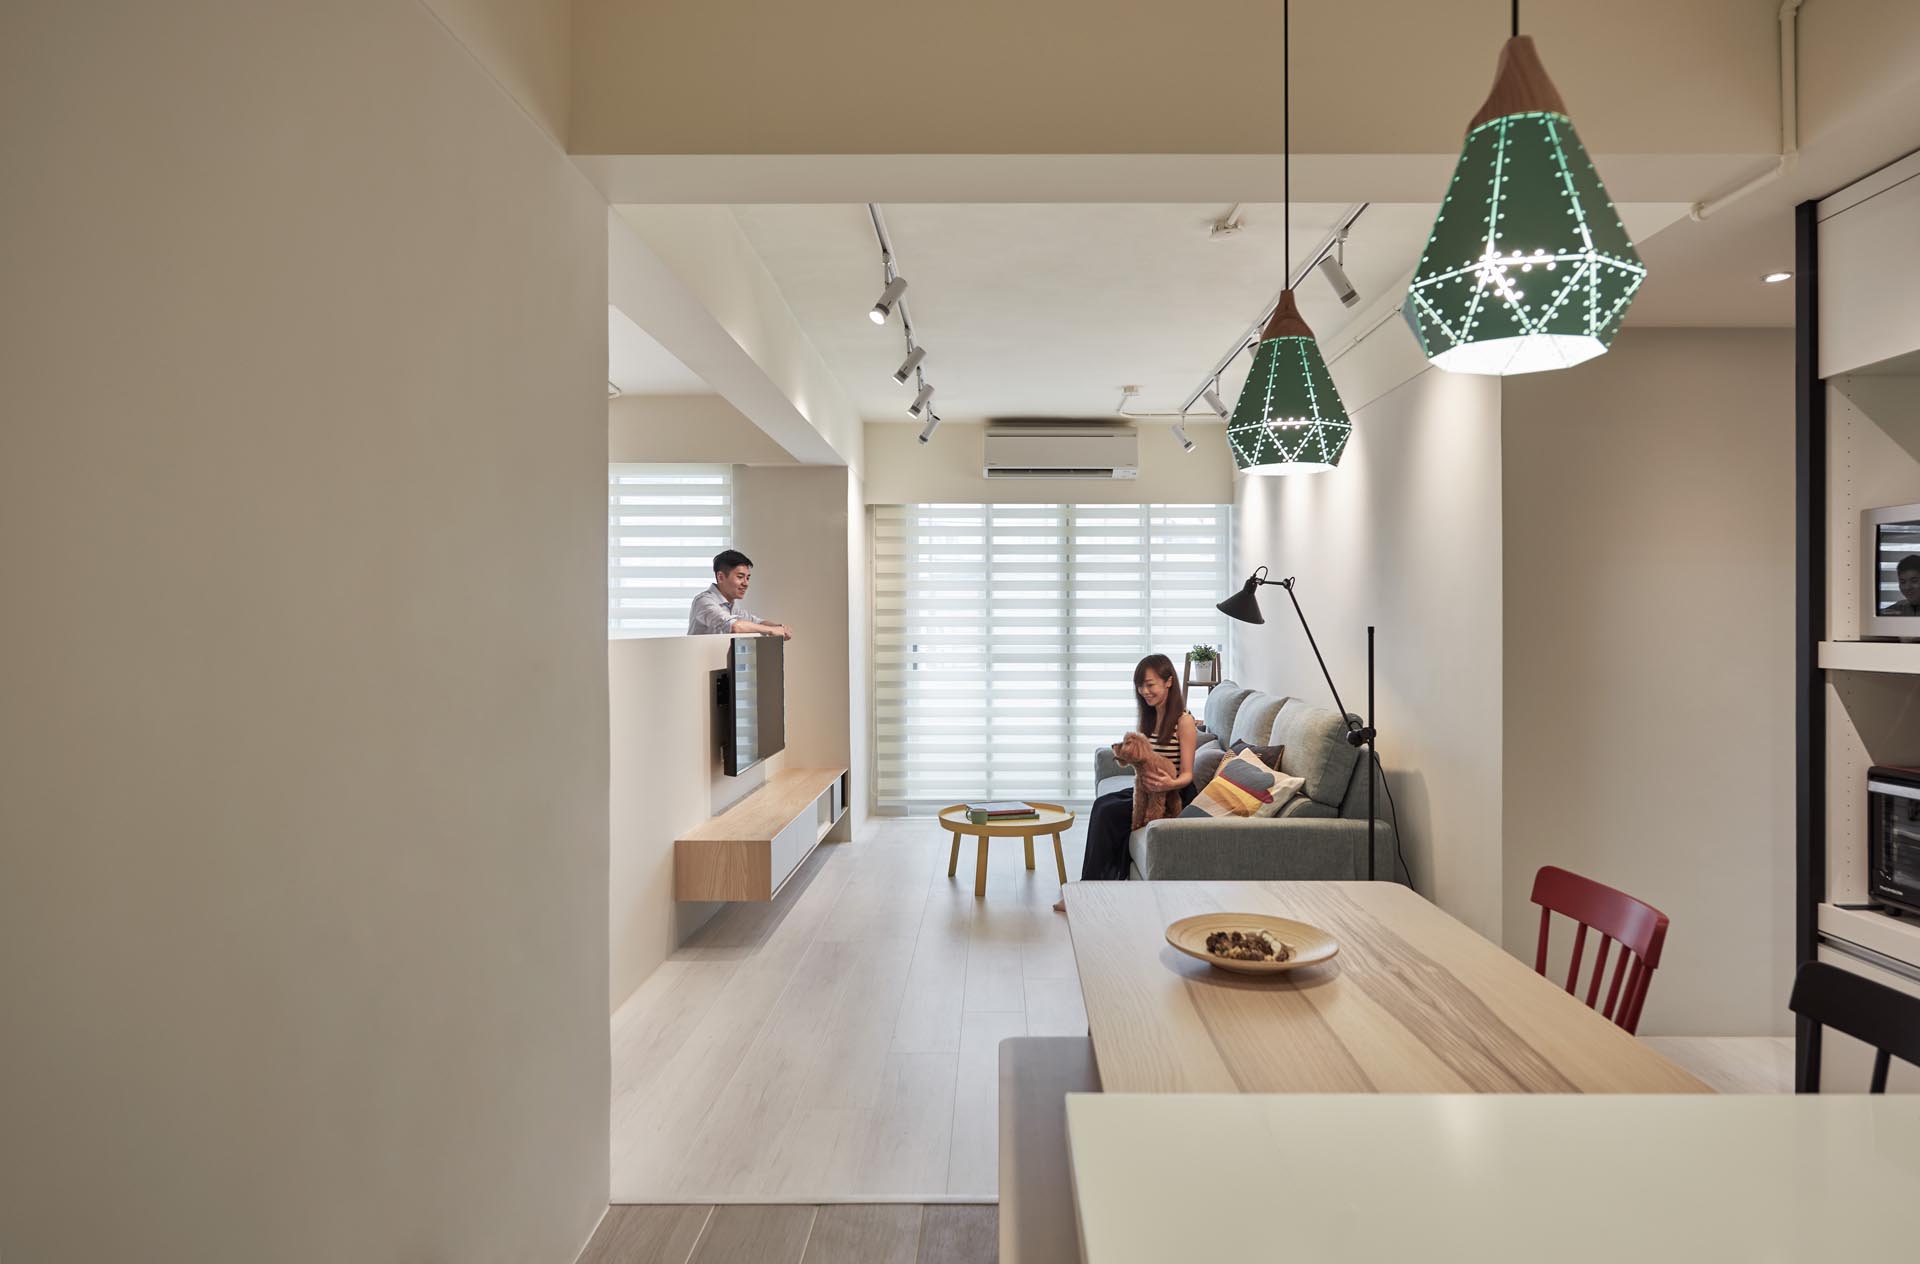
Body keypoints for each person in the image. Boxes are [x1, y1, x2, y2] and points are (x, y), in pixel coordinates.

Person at [1054, 654, 1197, 912]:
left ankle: (1088, 893)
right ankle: (1092, 886)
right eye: (1140, 686)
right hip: (1146, 788)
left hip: (1172, 794)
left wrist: (1168, 784)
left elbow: (1188, 774)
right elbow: (1141, 759)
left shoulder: (1184, 721)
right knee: (1102, 805)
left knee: (1109, 813)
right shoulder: (1150, 717)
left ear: (1168, 682)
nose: (1144, 691)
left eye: (1150, 684)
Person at [688, 549, 793, 638]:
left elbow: (757, 622)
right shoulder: (704, 602)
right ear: (721, 577)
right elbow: (735, 626)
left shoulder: (731, 606)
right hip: (700, 662)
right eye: (740, 577)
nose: (746, 583)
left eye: (747, 578)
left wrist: (779, 627)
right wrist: (771, 630)